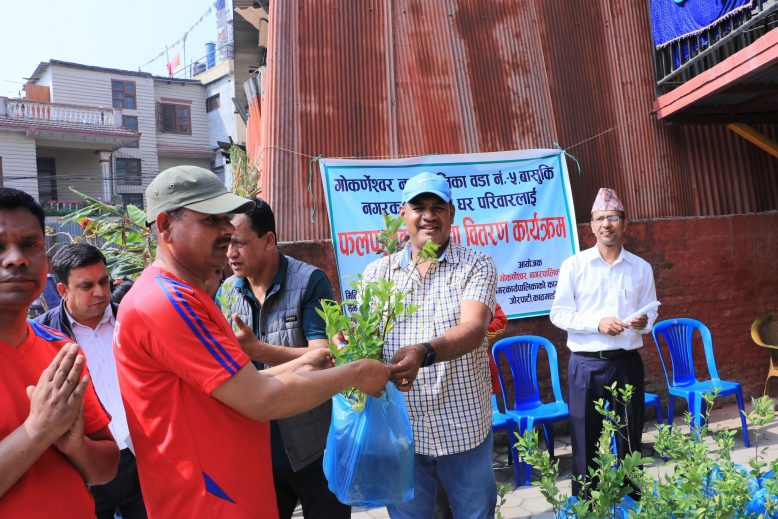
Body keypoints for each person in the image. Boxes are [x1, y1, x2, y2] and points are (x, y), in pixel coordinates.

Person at [113, 165, 391, 518]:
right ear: (166, 225)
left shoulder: (186, 295)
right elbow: (260, 399)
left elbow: (242, 384)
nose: (227, 232)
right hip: (209, 502)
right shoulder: (170, 302)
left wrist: (305, 362)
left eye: (227, 220)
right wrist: (356, 373)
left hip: (234, 489)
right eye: (211, 220)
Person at [361, 171, 498, 518]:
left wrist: (424, 352)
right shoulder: (378, 275)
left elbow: (473, 327)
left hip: (463, 428)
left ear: (451, 214)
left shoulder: (476, 265)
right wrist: (350, 343)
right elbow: (368, 342)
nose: (429, 215)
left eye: (438, 207)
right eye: (419, 206)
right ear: (403, 214)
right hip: (402, 431)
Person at [217, 197, 349, 519]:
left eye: (239, 243)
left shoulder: (309, 281)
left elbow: (324, 354)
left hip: (314, 444)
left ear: (269, 240)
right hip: (257, 449)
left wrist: (257, 350)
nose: (231, 254)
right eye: (226, 244)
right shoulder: (227, 292)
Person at [0, 187, 119, 518]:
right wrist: (38, 431)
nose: (16, 259)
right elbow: (41, 430)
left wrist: (75, 446)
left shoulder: (61, 350)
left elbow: (107, 466)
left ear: (46, 260)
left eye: (30, 245)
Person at [550, 187, 658, 497]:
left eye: (613, 217)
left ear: (625, 224)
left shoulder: (641, 268)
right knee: (585, 439)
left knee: (630, 436)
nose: (606, 224)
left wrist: (643, 322)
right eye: (600, 218)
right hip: (586, 365)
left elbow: (651, 315)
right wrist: (597, 323)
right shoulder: (575, 265)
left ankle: (633, 502)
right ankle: (587, 504)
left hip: (626, 363)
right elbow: (559, 314)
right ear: (591, 226)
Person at [35, 243, 147, 519]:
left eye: (104, 281)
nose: (100, 292)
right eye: (87, 286)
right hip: (84, 462)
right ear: (62, 290)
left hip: (141, 456)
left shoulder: (133, 320)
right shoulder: (43, 336)